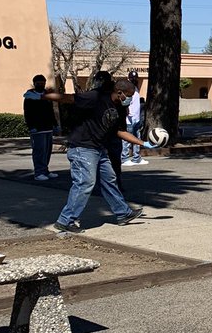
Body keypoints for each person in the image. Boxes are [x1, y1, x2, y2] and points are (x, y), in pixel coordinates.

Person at [38, 77, 159, 233]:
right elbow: (69, 98)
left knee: (110, 179)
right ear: (119, 92)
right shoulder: (96, 97)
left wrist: (143, 143)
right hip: (82, 147)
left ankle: (123, 213)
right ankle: (65, 220)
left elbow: (120, 131)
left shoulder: (119, 108)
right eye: (128, 96)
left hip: (99, 149)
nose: (129, 100)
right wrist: (43, 96)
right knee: (85, 183)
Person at [22, 74, 58, 182]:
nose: (41, 85)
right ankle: (38, 172)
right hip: (37, 129)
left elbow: (51, 111)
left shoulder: (47, 96)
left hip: (48, 127)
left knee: (47, 151)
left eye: (43, 83)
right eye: (39, 83)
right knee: (39, 151)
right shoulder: (29, 97)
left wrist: (55, 124)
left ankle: (45, 170)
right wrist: (31, 126)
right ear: (34, 84)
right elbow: (27, 113)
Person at [122, 74, 146, 166]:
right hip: (129, 119)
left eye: (135, 78)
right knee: (127, 140)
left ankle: (137, 158)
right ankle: (124, 158)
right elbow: (124, 102)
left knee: (137, 139)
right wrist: (127, 112)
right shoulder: (127, 89)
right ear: (129, 78)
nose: (134, 79)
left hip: (136, 119)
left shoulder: (135, 88)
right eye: (132, 78)